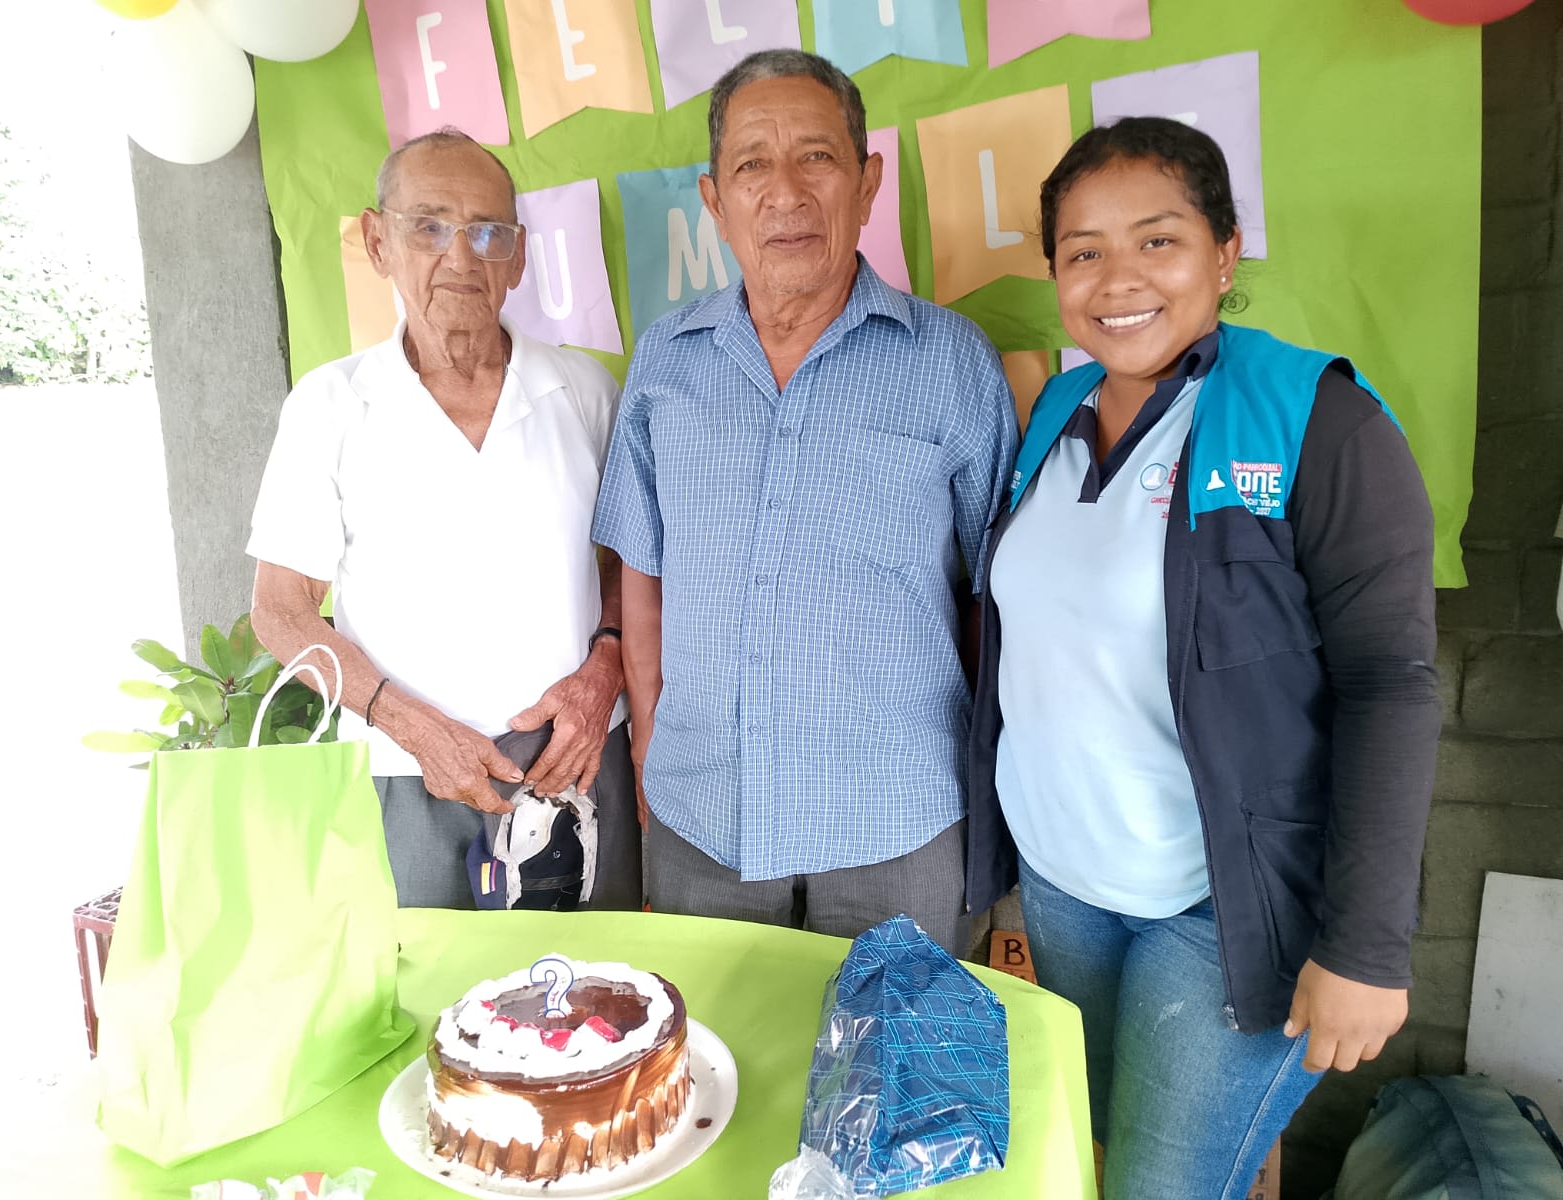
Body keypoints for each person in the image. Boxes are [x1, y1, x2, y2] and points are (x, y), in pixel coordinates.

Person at [969, 117, 1441, 1198]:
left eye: (1158, 240)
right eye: (1083, 251)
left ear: (1224, 253)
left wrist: (1367, 944)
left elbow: (1390, 685)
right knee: (1099, 1146)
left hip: (1222, 908)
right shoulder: (1055, 411)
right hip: (1067, 886)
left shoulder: (1314, 418)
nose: (1118, 279)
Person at [591, 49, 1019, 957]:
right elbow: (645, 572)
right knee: (719, 1049)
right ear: (715, 201)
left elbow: (997, 600)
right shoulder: (666, 361)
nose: (784, 192)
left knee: (899, 1051)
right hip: (704, 819)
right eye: (753, 164)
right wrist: (650, 748)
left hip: (901, 823)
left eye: (816, 157)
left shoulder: (952, 363)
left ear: (867, 182)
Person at [247, 128, 640, 911]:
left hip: (576, 762)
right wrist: (416, 730)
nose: (461, 258)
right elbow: (281, 610)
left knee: (600, 979)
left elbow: (626, 567)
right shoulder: (331, 405)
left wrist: (602, 675)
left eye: (488, 232)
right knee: (433, 980)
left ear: (517, 257)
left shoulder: (585, 391)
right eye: (428, 227)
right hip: (406, 773)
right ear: (377, 241)